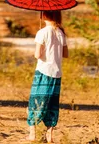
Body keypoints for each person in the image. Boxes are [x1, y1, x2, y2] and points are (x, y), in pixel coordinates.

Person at [27, 9, 68, 143]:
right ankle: (49, 134)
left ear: (44, 15)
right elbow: (65, 54)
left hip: (43, 71)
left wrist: (43, 46)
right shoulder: (60, 32)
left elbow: (37, 55)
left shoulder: (42, 32)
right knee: (52, 103)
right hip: (56, 73)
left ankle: (32, 133)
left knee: (35, 101)